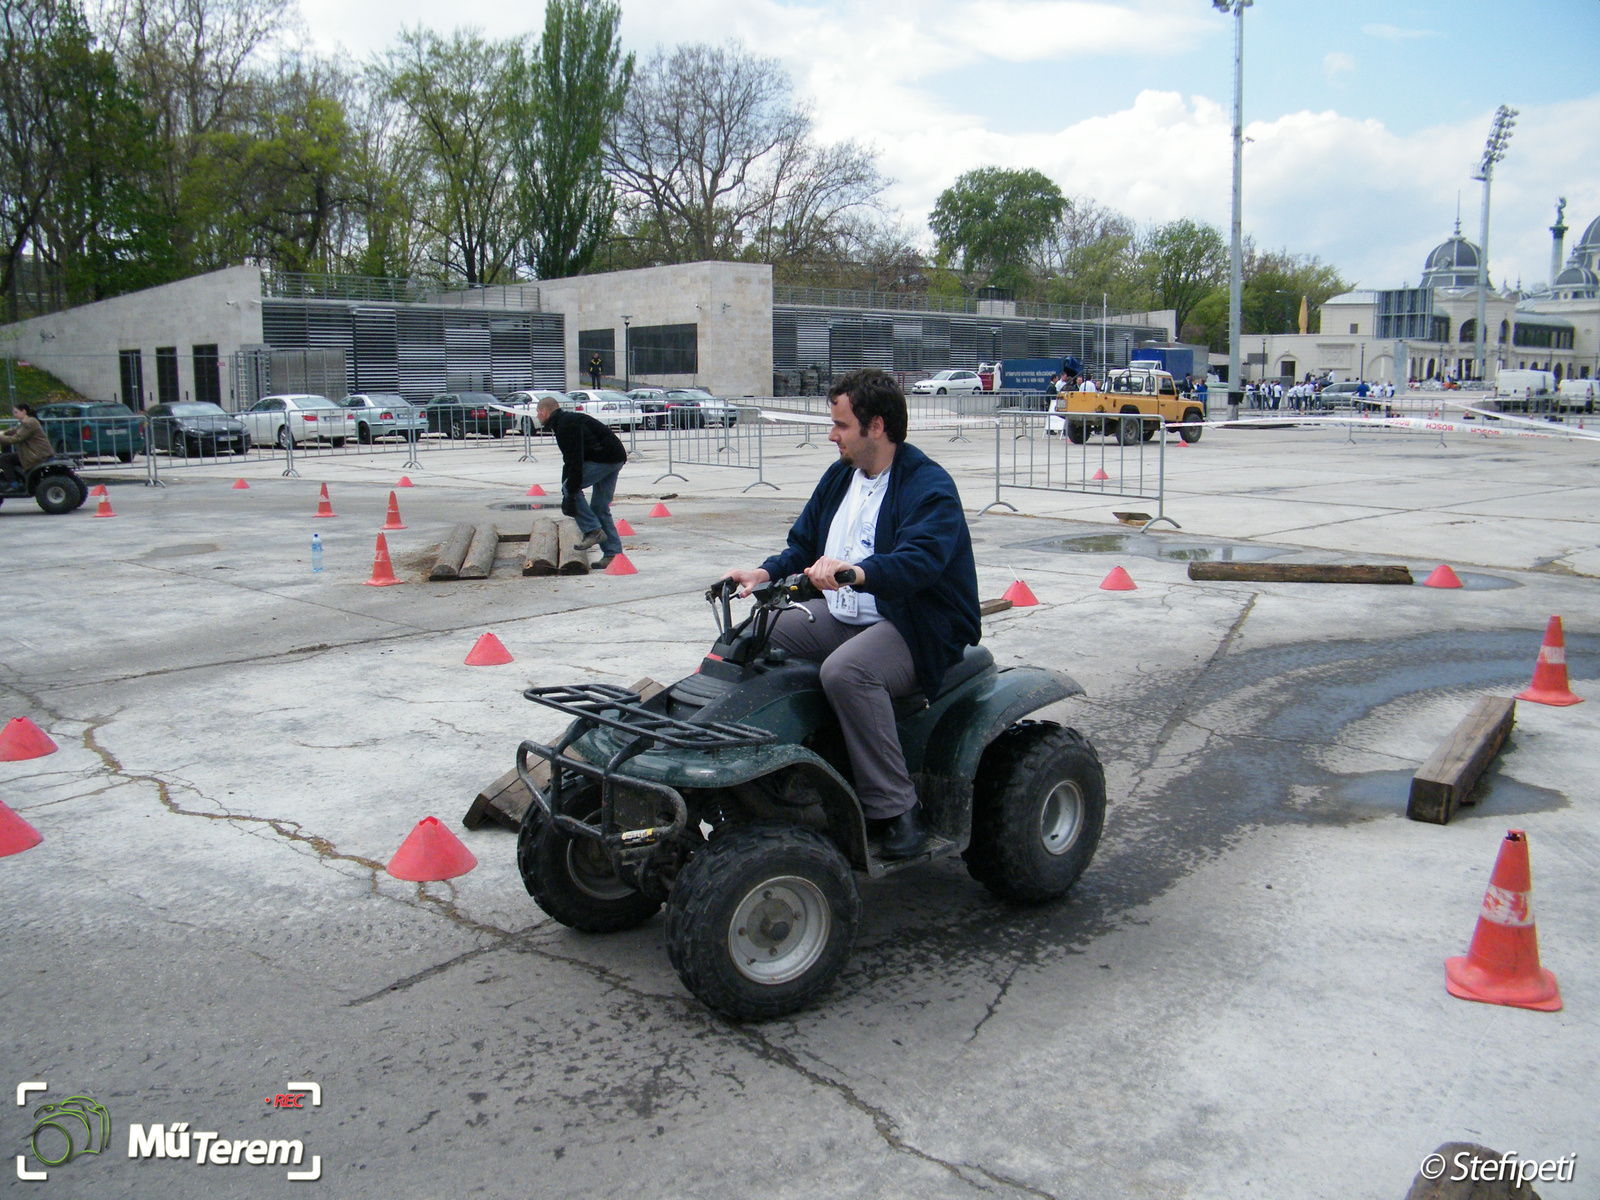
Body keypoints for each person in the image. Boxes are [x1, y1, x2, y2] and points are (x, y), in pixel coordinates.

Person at [722, 368, 980, 860]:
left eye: (840, 425)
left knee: (848, 671)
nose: (831, 434)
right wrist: (763, 573)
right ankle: (762, 772)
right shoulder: (841, 476)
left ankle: (897, 808)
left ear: (876, 426)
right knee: (747, 639)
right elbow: (803, 544)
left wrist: (855, 573)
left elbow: (920, 563)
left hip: (915, 623)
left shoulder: (928, 486)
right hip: (845, 613)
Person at [536, 396, 627, 568]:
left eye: (538, 413)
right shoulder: (565, 421)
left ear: (545, 412)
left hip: (604, 459)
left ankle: (592, 530)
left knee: (571, 488)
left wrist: (569, 490)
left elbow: (575, 458)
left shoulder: (565, 425)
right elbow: (569, 460)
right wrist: (567, 486)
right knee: (599, 507)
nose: (537, 416)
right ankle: (613, 554)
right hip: (614, 457)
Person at [0, 402, 54, 486]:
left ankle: (14, 484)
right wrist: (3, 433)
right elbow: (15, 430)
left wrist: (1, 437)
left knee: (3, 459)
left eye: (16, 412)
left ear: (23, 411)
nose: (15, 415)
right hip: (39, 453)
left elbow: (16, 438)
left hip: (35, 455)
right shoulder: (30, 421)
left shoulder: (28, 423)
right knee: (9, 457)